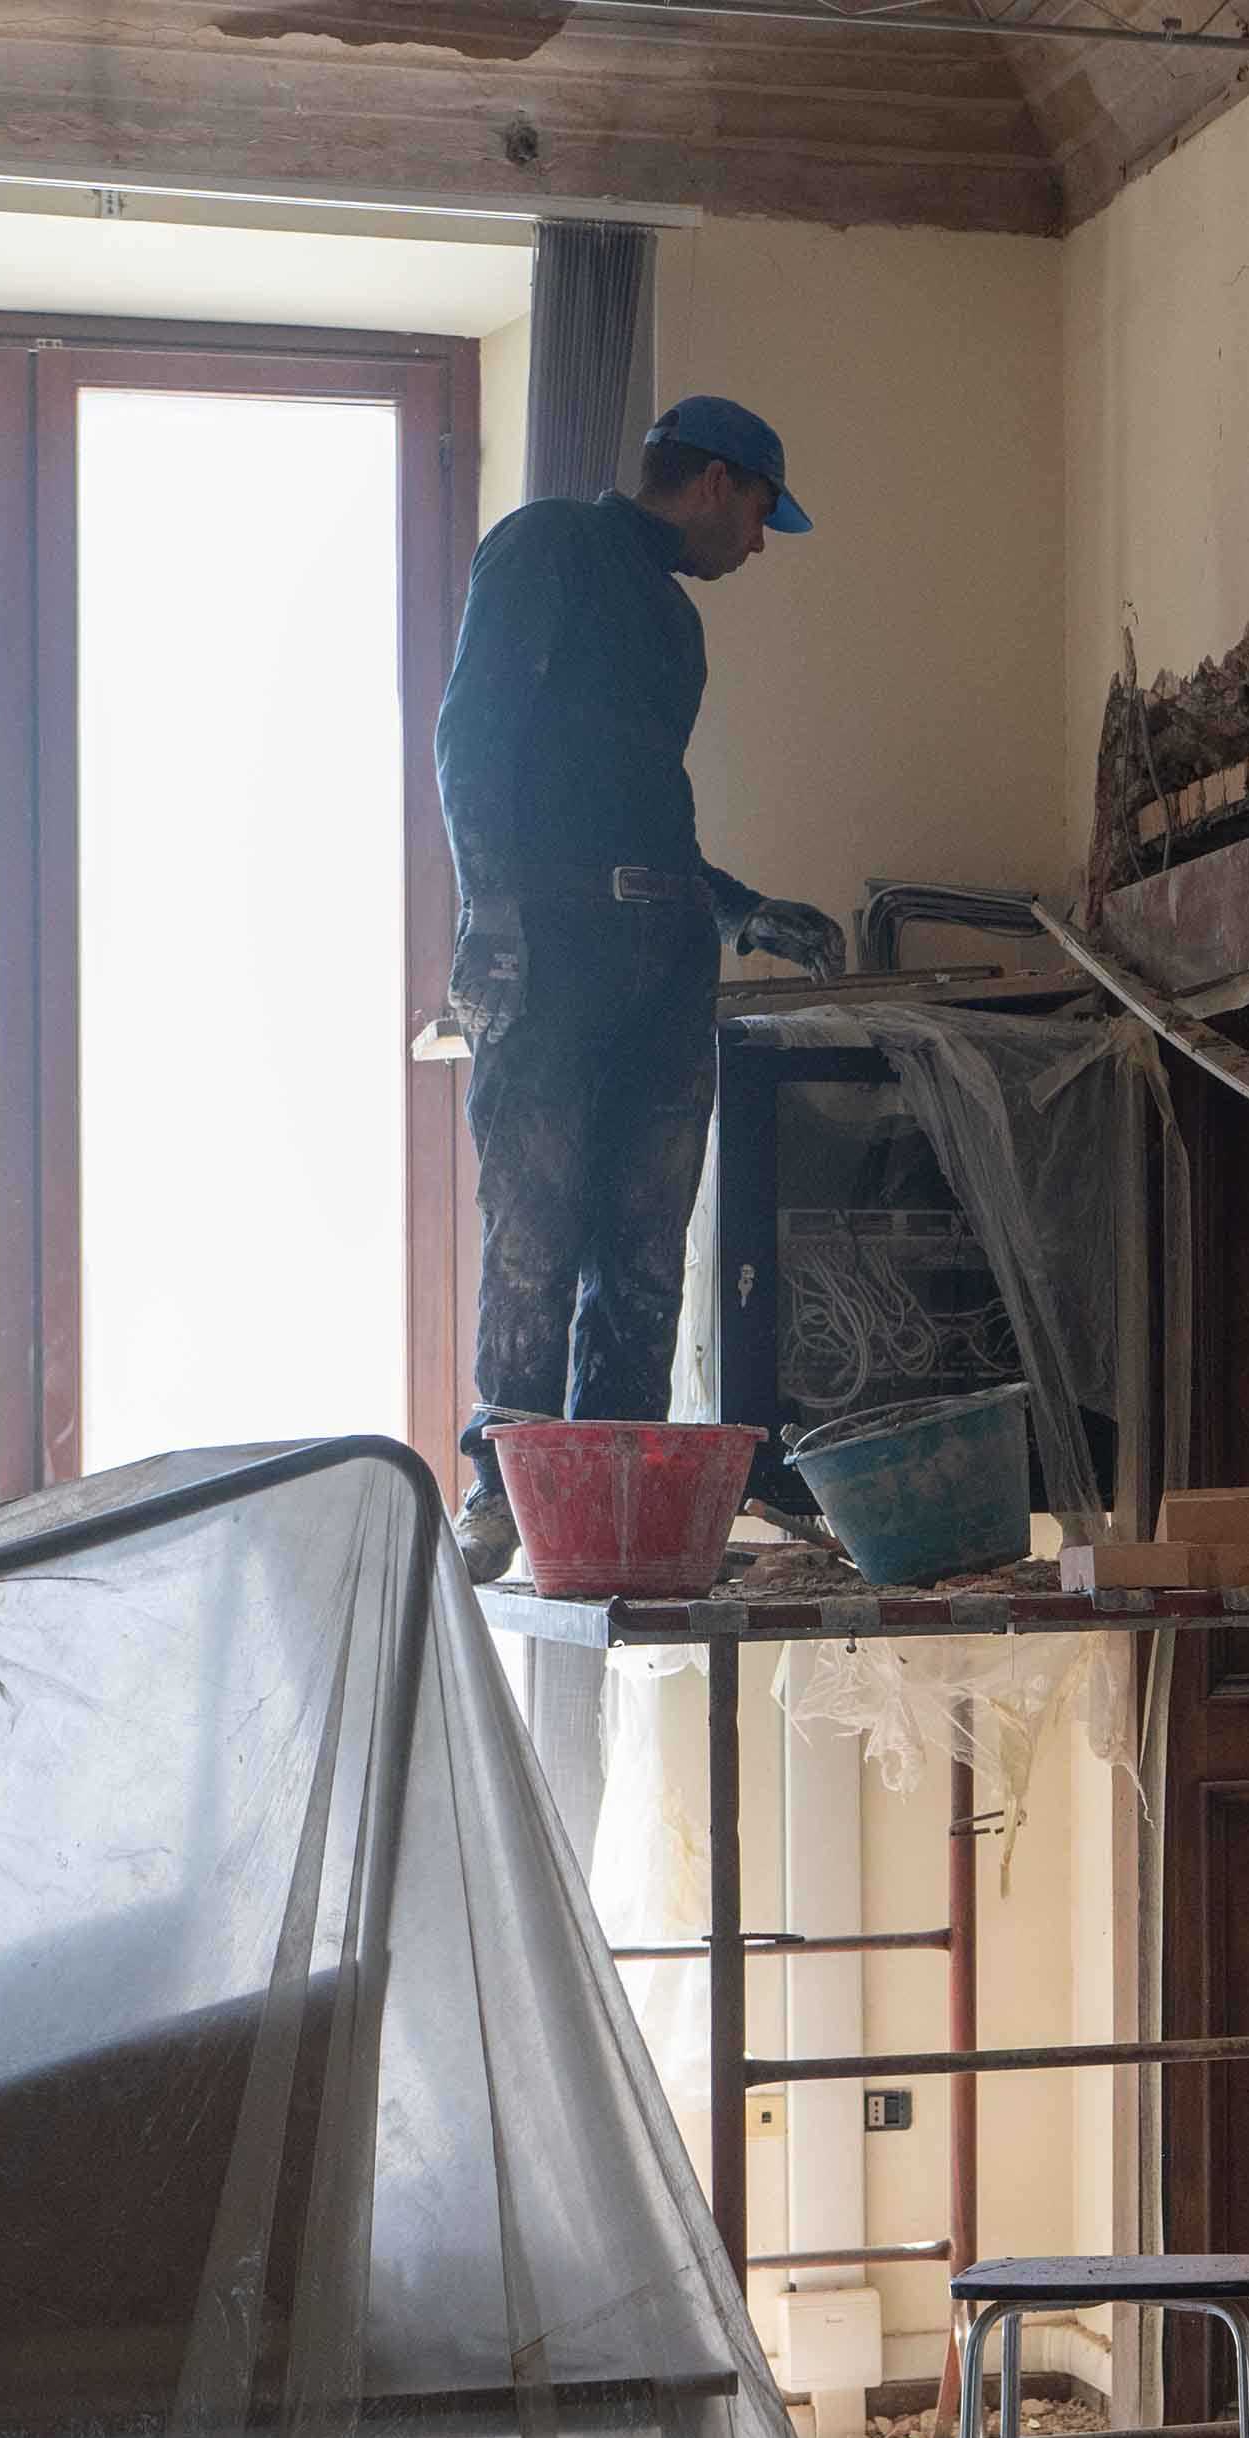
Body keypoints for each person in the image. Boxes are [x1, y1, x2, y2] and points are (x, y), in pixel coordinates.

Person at [432, 394, 847, 1582]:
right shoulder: (547, 546)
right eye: (759, 513)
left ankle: (611, 1498)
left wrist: (739, 909)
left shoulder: (673, 623)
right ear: (715, 480)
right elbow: (471, 736)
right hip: (552, 941)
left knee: (645, 1243)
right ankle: (503, 1488)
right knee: (536, 1213)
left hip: (663, 954)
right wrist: (488, 908)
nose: (756, 545)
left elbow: (651, 829)